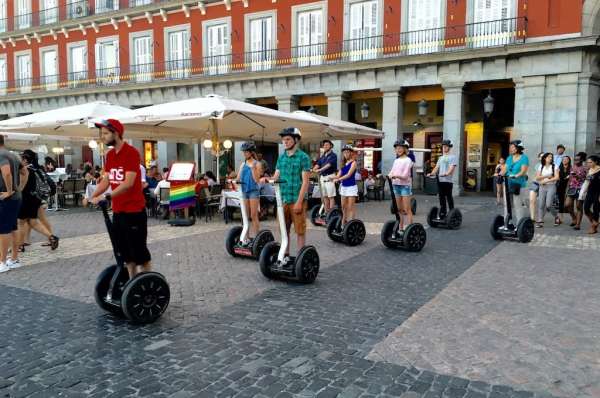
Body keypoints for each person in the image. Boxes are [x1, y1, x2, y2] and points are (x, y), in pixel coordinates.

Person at [90, 119, 151, 279]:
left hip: (134, 211)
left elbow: (129, 183)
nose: (102, 137)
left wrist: (107, 196)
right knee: (125, 253)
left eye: (105, 133)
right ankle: (132, 282)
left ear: (116, 133)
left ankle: (148, 283)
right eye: (101, 133)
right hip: (119, 211)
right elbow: (107, 180)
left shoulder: (131, 153)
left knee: (139, 253)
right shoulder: (110, 155)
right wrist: (93, 195)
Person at [262, 127, 311, 257]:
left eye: (288, 139)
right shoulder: (281, 157)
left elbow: (305, 182)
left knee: (300, 230)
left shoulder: (304, 157)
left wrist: (299, 202)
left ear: (296, 140)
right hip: (282, 199)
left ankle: (301, 257)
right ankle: (286, 255)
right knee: (284, 230)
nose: (285, 142)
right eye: (283, 140)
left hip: (296, 199)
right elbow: (276, 176)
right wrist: (267, 179)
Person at [16, 150, 59, 259]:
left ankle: (20, 245)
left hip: (26, 199)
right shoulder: (37, 169)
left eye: (21, 159)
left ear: (25, 160)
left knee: (21, 222)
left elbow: (21, 186)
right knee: (33, 222)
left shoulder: (25, 170)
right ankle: (52, 237)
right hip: (35, 199)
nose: (20, 161)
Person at [0, 135, 28, 272]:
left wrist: (9, 191)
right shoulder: (14, 155)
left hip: (6, 198)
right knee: (13, 227)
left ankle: (3, 262)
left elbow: (6, 173)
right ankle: (14, 259)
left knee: (3, 229)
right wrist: (19, 189)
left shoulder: (1, 155)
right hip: (16, 197)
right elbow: (25, 172)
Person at [236, 142, 263, 242]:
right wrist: (232, 181)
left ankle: (257, 238)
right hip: (244, 191)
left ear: (251, 152)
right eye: (244, 152)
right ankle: (245, 238)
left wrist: (252, 169)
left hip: (253, 191)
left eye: (246, 152)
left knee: (253, 215)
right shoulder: (243, 164)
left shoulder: (258, 164)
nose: (244, 154)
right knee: (245, 215)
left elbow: (257, 180)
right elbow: (238, 178)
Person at [427, 139, 457, 219]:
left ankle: (452, 213)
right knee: (441, 198)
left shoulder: (453, 157)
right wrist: (431, 173)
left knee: (449, 197)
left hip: (448, 181)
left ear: (449, 147)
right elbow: (436, 167)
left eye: (446, 146)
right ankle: (443, 212)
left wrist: (447, 173)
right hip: (440, 180)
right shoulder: (441, 158)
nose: (444, 148)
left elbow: (452, 167)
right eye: (443, 146)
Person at [503, 140, 530, 225]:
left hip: (518, 184)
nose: (511, 149)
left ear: (518, 148)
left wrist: (515, 175)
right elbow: (505, 169)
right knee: (507, 204)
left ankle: (520, 224)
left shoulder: (524, 158)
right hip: (508, 183)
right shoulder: (509, 158)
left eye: (513, 147)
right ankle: (507, 222)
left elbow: (523, 171)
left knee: (517, 204)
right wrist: (499, 173)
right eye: (510, 147)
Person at [388, 140, 414, 231]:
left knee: (407, 209)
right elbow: (392, 171)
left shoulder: (408, 160)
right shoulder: (396, 160)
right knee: (399, 209)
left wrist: (396, 176)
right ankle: (401, 228)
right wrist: (388, 175)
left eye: (400, 148)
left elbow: (405, 175)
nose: (398, 149)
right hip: (396, 186)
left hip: (405, 186)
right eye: (397, 148)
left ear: (405, 148)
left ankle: (411, 228)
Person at [333, 145, 358, 226]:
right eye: (344, 152)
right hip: (343, 187)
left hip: (351, 187)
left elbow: (348, 175)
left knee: (351, 207)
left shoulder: (354, 163)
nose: (345, 154)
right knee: (343, 207)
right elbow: (338, 175)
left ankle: (351, 224)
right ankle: (343, 224)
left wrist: (338, 179)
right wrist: (331, 178)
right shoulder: (343, 164)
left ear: (351, 153)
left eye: (347, 152)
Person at [312, 140, 337, 213]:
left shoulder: (333, 155)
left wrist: (320, 170)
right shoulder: (323, 155)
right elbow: (318, 163)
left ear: (331, 146)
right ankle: (326, 213)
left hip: (330, 177)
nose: (325, 146)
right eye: (324, 145)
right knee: (325, 197)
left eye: (327, 145)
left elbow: (328, 165)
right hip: (322, 178)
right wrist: (314, 169)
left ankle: (331, 213)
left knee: (331, 197)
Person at [535, 152, 559, 228]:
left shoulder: (555, 166)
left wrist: (546, 180)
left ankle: (556, 216)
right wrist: (547, 176)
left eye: (551, 157)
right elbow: (537, 177)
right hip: (542, 187)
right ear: (545, 158)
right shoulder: (541, 166)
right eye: (549, 157)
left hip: (551, 186)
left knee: (548, 205)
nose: (550, 158)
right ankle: (540, 220)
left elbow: (557, 177)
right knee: (541, 204)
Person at [565, 152, 587, 230]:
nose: (576, 161)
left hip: (580, 189)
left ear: (582, 160)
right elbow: (570, 179)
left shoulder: (585, 168)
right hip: (572, 188)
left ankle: (578, 224)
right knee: (567, 205)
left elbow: (586, 180)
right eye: (575, 159)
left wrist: (577, 176)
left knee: (578, 206)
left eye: (578, 160)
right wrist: (567, 189)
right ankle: (574, 218)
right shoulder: (572, 167)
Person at [583, 154, 600, 234]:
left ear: (595, 162)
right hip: (590, 192)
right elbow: (587, 182)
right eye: (587, 162)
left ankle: (594, 227)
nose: (588, 164)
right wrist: (583, 192)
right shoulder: (589, 170)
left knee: (596, 209)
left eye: (590, 162)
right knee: (586, 209)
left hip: (598, 192)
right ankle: (595, 222)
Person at [555, 155, 571, 226]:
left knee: (568, 204)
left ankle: (573, 217)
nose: (564, 160)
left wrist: (569, 177)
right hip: (560, 187)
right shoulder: (559, 168)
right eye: (563, 159)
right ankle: (560, 218)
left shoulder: (571, 168)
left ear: (569, 160)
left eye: (566, 159)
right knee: (561, 203)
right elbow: (557, 177)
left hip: (568, 187)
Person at [528, 152, 544, 221]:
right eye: (541, 156)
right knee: (531, 200)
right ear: (539, 158)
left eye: (544, 156)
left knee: (543, 203)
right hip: (535, 183)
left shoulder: (550, 166)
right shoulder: (537, 165)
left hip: (544, 184)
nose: (542, 158)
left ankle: (541, 217)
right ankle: (532, 218)